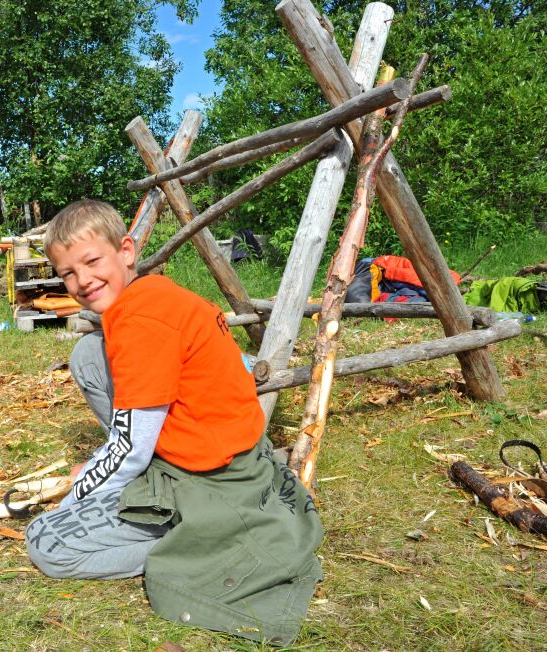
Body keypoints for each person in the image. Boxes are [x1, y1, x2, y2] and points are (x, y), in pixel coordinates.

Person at [24, 200, 324, 646]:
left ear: (125, 251)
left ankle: (202, 543)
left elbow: (130, 449)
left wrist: (77, 495)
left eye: (92, 261)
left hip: (213, 478)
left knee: (47, 543)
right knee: (88, 355)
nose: (82, 280)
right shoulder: (158, 294)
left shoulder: (139, 321)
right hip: (234, 450)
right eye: (68, 273)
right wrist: (98, 469)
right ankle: (186, 518)